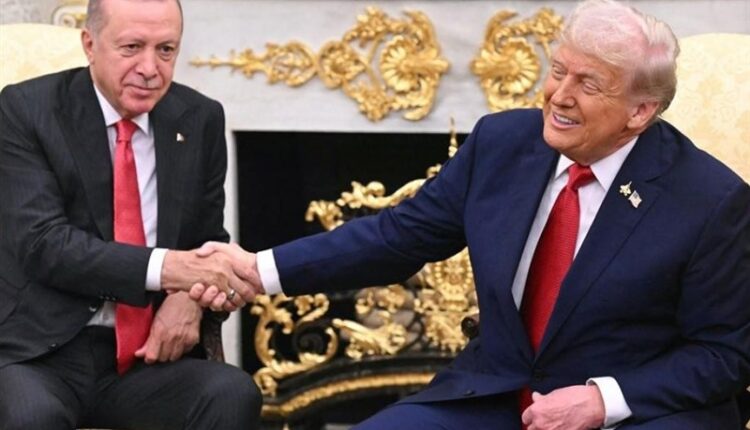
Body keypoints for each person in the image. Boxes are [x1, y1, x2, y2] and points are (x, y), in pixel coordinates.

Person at [191, 0, 750, 428]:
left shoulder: (709, 200)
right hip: (497, 395)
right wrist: (256, 270)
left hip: (637, 412)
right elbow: (397, 236)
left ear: (640, 111)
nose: (559, 95)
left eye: (588, 84)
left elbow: (725, 353)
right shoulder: (503, 143)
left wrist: (603, 400)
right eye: (559, 71)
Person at [0, 0, 262, 428]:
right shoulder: (26, 109)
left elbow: (207, 240)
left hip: (147, 358)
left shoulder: (199, 118)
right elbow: (43, 244)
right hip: (40, 353)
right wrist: (170, 270)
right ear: (90, 44)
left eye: (166, 50)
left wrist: (188, 298)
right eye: (132, 47)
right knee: (31, 416)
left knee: (231, 393)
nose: (150, 69)